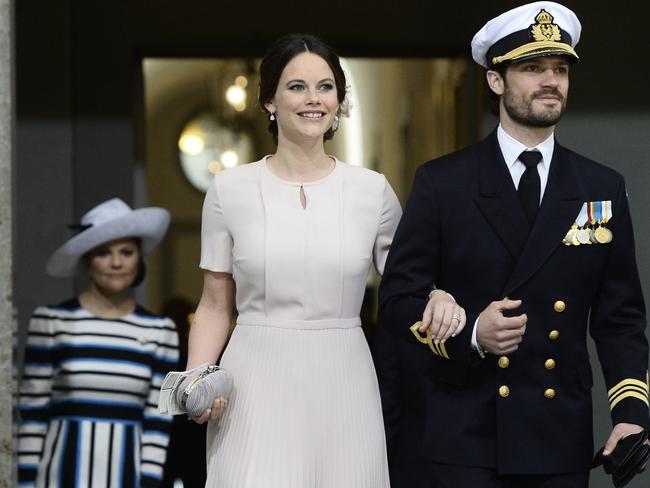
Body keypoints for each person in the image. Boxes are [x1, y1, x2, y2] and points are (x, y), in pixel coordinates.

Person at [377, 2, 649, 487]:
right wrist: (472, 335)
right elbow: (397, 302)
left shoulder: (599, 187)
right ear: (495, 81)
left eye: (560, 69)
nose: (551, 80)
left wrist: (630, 412)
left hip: (558, 435)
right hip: (467, 435)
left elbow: (620, 317)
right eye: (532, 68)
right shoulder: (444, 182)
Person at [185, 33, 464, 487]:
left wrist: (438, 294)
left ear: (339, 99)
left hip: (345, 374)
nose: (313, 99)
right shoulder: (229, 189)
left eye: (325, 86)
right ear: (270, 99)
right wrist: (197, 378)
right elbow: (216, 304)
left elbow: (407, 282)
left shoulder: (371, 190)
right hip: (254, 374)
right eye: (297, 86)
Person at [17, 198, 179, 487]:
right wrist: (26, 483)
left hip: (127, 478)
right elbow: (33, 413)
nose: (116, 262)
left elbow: (158, 420)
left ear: (138, 258)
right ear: (86, 259)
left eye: (126, 252)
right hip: (58, 477)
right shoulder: (52, 321)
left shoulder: (161, 331)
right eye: (103, 253)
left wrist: (150, 483)